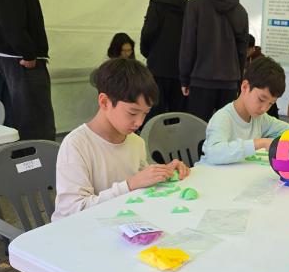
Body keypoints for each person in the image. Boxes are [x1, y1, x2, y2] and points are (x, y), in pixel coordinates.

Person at [52, 58, 190, 221]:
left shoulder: (135, 141)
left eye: (145, 113)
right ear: (104, 102)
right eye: (132, 113)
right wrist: (129, 185)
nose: (139, 122)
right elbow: (72, 211)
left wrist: (164, 172)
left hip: (122, 224)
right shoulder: (76, 145)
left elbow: (140, 181)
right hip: (81, 232)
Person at [0, 0, 56, 140]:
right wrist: (28, 53)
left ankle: (34, 158)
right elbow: (10, 21)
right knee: (36, 120)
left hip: (18, 57)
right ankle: (39, 160)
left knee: (28, 116)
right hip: (21, 59)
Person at [201, 56, 289, 165]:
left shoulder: (260, 118)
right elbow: (214, 154)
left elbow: (288, 129)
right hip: (210, 176)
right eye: (261, 99)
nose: (264, 109)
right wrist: (260, 143)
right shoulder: (223, 118)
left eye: (271, 104)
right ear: (245, 87)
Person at [179, 0, 249, 122]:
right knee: (225, 130)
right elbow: (242, 51)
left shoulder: (195, 4)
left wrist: (184, 78)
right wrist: (238, 82)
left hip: (201, 80)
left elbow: (188, 43)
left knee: (198, 130)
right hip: (230, 82)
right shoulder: (240, 11)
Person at [140, 0, 188, 127]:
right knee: (178, 116)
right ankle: (176, 145)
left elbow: (148, 31)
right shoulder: (187, 5)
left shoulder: (157, 2)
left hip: (157, 67)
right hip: (181, 69)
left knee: (154, 114)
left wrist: (147, 52)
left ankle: (154, 146)